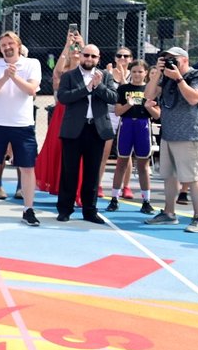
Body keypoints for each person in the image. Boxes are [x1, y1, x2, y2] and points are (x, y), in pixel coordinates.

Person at [0, 31, 42, 226]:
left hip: (23, 124)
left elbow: (31, 90)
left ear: (18, 45)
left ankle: (28, 210)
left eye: (10, 43)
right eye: (3, 45)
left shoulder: (32, 64)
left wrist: (13, 77)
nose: (7, 47)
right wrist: (5, 77)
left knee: (27, 168)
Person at [144, 47, 198, 232]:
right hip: (168, 134)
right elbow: (148, 96)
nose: (170, 62)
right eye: (166, 59)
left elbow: (193, 98)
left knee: (193, 177)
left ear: (185, 60)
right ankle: (169, 213)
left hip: (189, 135)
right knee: (169, 176)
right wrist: (157, 73)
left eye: (174, 59)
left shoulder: (197, 76)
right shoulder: (165, 78)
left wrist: (178, 78)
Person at [54, 44, 117, 223]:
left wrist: (98, 87)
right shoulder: (69, 76)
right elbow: (63, 97)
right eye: (86, 55)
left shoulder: (105, 76)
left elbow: (113, 98)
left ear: (99, 58)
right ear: (80, 56)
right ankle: (65, 209)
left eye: (93, 56)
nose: (89, 59)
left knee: (92, 173)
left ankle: (90, 210)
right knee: (69, 172)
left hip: (96, 130)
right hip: (73, 130)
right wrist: (87, 88)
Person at [107, 60, 159, 214]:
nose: (137, 74)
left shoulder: (151, 90)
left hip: (143, 125)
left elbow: (157, 114)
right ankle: (114, 198)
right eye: (134, 71)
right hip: (127, 125)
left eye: (140, 71)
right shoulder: (123, 89)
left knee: (143, 165)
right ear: (131, 72)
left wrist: (150, 108)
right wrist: (129, 104)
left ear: (146, 73)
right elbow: (117, 112)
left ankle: (146, 201)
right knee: (121, 162)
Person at [35, 29, 83, 196]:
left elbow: (92, 64)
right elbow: (56, 73)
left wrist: (82, 46)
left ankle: (77, 187)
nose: (76, 52)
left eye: (79, 51)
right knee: (58, 149)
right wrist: (67, 46)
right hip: (62, 114)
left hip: (81, 115)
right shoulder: (63, 74)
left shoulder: (87, 72)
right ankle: (58, 184)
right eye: (74, 51)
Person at [105, 47, 135, 199]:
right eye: (119, 56)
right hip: (110, 113)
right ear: (115, 58)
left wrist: (124, 79)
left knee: (125, 153)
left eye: (126, 56)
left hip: (125, 114)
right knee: (105, 150)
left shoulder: (134, 74)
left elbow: (132, 96)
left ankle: (126, 186)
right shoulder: (108, 73)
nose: (122, 58)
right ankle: (98, 184)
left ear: (131, 58)